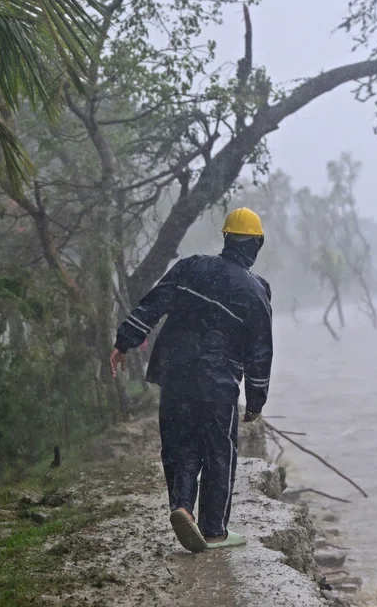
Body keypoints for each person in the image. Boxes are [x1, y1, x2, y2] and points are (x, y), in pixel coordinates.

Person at [109, 207, 273, 553]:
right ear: (256, 244)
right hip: (217, 384)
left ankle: (183, 507)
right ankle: (214, 530)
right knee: (218, 453)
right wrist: (256, 400)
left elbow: (153, 304)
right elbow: (260, 352)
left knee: (180, 445)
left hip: (175, 374)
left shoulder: (191, 266)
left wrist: (123, 341)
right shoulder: (255, 292)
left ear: (226, 238)